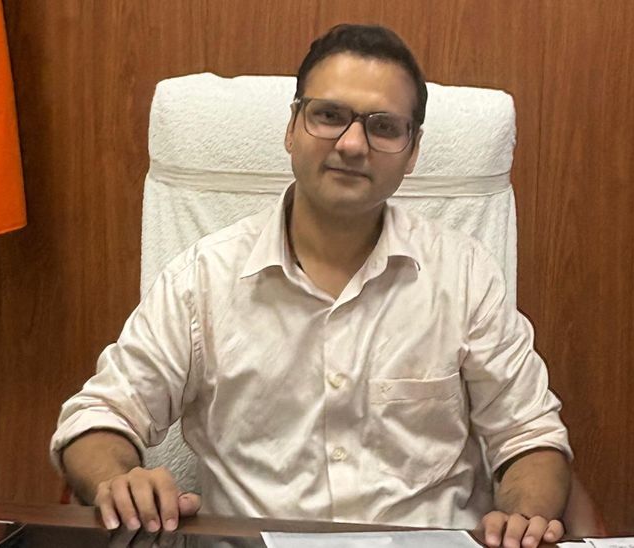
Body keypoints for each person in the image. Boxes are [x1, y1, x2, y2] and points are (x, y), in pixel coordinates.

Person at [51, 24, 572, 548]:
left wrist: (524, 515)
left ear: (413, 151)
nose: (352, 144)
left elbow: (529, 436)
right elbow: (100, 416)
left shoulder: (464, 275)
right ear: (291, 128)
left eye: (384, 127)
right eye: (329, 116)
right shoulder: (202, 279)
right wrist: (118, 479)